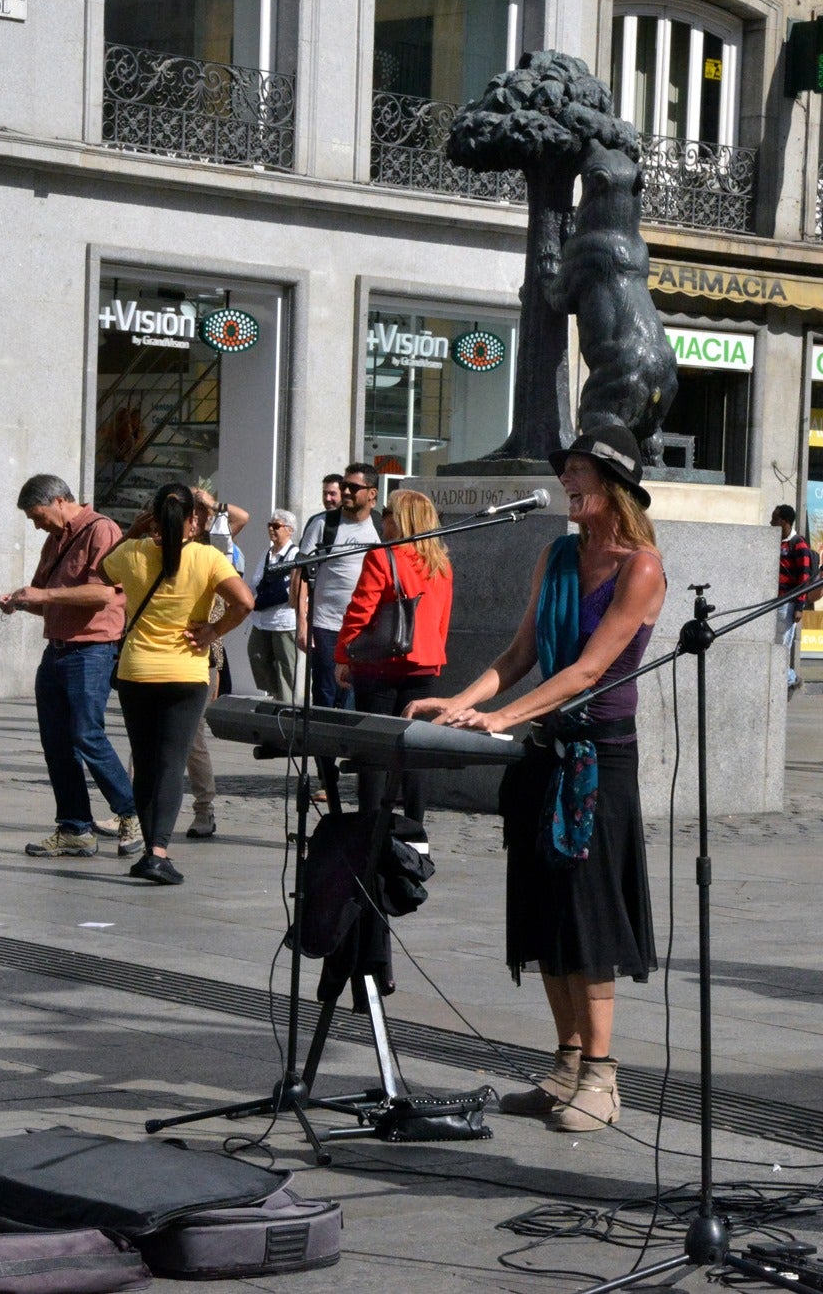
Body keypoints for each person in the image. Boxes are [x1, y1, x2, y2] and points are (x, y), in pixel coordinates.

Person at [405, 425, 665, 1133]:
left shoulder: (641, 567)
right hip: (548, 750)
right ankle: (566, 1065)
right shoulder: (556, 554)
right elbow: (522, 651)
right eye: (568, 472)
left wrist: (500, 719)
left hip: (601, 756)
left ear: (614, 487)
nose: (568, 485)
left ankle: (604, 1078)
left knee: (588, 914)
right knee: (544, 909)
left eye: (581, 474)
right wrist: (465, 701)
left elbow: (586, 672)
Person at [102, 482, 252, 886]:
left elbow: (101, 569)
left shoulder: (132, 553)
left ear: (153, 517)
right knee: (170, 764)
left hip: (137, 672)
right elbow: (245, 602)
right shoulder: (206, 557)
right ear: (192, 521)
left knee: (146, 762)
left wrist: (135, 531)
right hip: (186, 673)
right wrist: (212, 631)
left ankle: (148, 847)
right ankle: (158, 853)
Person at [0, 475, 141, 859]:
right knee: (57, 743)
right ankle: (75, 827)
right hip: (57, 651)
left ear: (60, 501)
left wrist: (43, 594)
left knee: (86, 734)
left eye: (38, 516)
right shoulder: (55, 540)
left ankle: (132, 813)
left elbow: (103, 593)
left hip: (91, 650)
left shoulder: (103, 530)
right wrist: (20, 601)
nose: (37, 525)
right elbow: (46, 598)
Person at [336, 488, 453, 829]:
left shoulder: (383, 556)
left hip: (380, 665)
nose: (383, 518)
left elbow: (360, 611)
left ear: (399, 520)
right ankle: (416, 826)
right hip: (424, 666)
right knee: (414, 751)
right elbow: (443, 620)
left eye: (388, 512)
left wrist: (343, 656)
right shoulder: (441, 563)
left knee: (374, 751)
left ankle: (370, 826)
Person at [183, 489, 250, 841]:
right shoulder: (163, 546)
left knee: (192, 738)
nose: (191, 520)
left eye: (196, 514)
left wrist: (212, 505)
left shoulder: (214, 548)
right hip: (164, 652)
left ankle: (204, 809)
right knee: (146, 737)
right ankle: (130, 811)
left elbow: (241, 517)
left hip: (203, 651)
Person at [294, 462, 381, 710]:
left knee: (357, 701)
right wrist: (302, 623)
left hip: (367, 631)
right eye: (344, 486)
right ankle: (323, 751)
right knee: (325, 698)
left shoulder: (379, 527)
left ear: (372, 493)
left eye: (353, 487)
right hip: (327, 627)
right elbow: (301, 575)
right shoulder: (323, 524)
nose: (345, 492)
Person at [246, 508, 299, 704]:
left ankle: (286, 705)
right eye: (270, 525)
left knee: (287, 666)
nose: (271, 529)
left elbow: (296, 590)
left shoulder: (296, 555)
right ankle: (276, 695)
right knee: (256, 655)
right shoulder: (267, 553)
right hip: (261, 619)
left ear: (289, 530)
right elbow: (255, 581)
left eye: (276, 526)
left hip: (283, 621)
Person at [772, 504, 817, 693]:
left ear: (785, 521)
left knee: (782, 646)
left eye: (774, 518)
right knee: (773, 645)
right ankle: (786, 677)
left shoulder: (798, 544)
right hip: (773, 603)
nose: (771, 522)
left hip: (787, 604)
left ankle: (788, 679)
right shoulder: (775, 541)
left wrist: (799, 606)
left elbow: (804, 578)